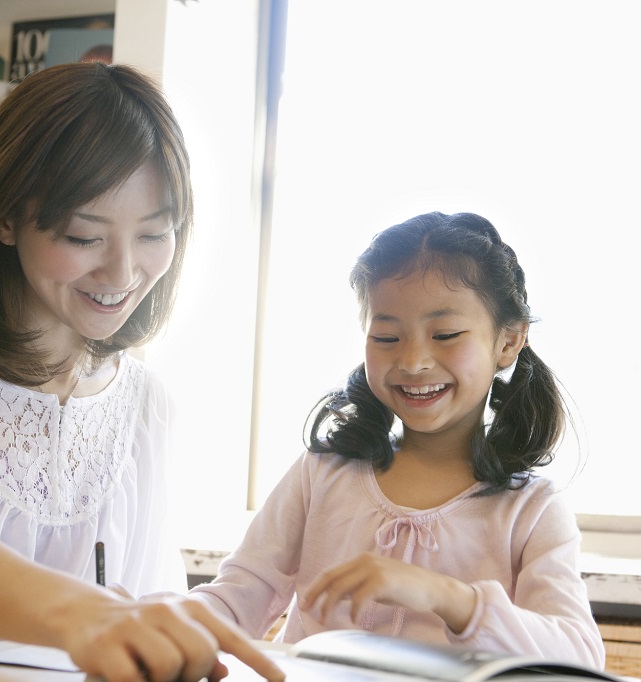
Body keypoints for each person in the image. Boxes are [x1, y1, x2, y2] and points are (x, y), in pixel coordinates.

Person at [0, 62, 283, 682]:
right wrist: (86, 614)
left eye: (154, 234)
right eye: (85, 237)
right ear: (4, 219)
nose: (122, 274)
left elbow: (146, 606)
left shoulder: (144, 404)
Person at [189, 211, 606, 669]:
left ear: (508, 342)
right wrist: (168, 623)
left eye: (445, 334)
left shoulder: (531, 510)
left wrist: (449, 597)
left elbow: (580, 659)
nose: (413, 360)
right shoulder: (322, 475)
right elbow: (237, 596)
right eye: (386, 336)